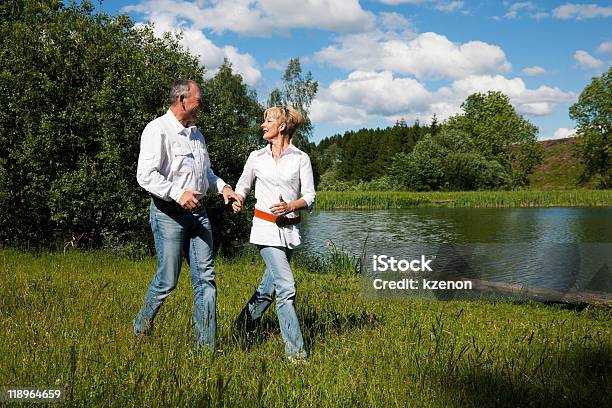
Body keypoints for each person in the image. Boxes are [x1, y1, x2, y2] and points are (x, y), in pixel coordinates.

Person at [133, 79, 241, 351]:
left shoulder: (197, 135)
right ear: (182, 100)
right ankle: (140, 327)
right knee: (168, 280)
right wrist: (178, 193)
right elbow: (145, 176)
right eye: (198, 100)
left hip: (199, 214)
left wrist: (224, 188)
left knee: (206, 280)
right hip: (168, 214)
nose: (201, 105)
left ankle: (205, 348)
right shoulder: (157, 130)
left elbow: (206, 174)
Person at [231, 106, 315, 362]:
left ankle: (241, 327)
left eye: (268, 121)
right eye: (263, 121)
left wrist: (290, 206)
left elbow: (310, 196)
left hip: (289, 231)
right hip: (265, 230)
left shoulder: (301, 158)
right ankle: (296, 354)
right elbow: (243, 186)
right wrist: (238, 199)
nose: (262, 125)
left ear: (281, 127)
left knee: (268, 289)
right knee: (287, 288)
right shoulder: (256, 157)